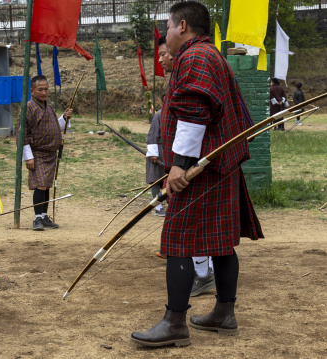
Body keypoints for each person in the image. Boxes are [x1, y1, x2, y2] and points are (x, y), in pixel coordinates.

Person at [131, 2, 263, 348]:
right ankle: (224, 313)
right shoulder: (209, 55)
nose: (167, 35)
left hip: (203, 169)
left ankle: (175, 324)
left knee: (178, 240)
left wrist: (180, 165)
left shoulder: (195, 58)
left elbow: (193, 114)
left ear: (183, 26)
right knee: (220, 242)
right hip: (216, 166)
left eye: (168, 27)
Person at [155, 37, 216, 298]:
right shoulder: (187, 69)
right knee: (202, 230)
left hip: (193, 169)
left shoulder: (193, 63)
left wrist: (179, 166)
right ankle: (205, 276)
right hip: (189, 166)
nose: (160, 59)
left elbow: (192, 117)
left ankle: (176, 317)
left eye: (162, 54)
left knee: (181, 234)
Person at [17, 75, 73, 231]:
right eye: (40, 90)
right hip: (37, 153)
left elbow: (55, 125)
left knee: (46, 186)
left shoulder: (48, 106)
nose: (44, 93)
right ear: (32, 91)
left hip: (50, 154)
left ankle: (43, 216)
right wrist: (28, 157)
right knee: (40, 185)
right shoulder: (28, 107)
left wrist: (64, 117)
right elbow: (22, 134)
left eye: (46, 89)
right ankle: (37, 218)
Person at [146, 94, 166, 217]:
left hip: (169, 151)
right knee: (156, 179)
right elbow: (153, 135)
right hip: (158, 151)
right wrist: (153, 154)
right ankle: (158, 207)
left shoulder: (174, 114)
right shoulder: (159, 115)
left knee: (168, 178)